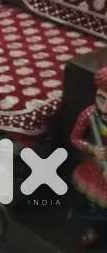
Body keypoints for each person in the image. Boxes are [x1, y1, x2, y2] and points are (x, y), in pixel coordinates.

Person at [71, 66, 107, 248]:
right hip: (96, 168)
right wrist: (92, 148)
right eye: (102, 99)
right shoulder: (89, 114)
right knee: (94, 206)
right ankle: (93, 230)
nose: (105, 107)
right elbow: (75, 138)